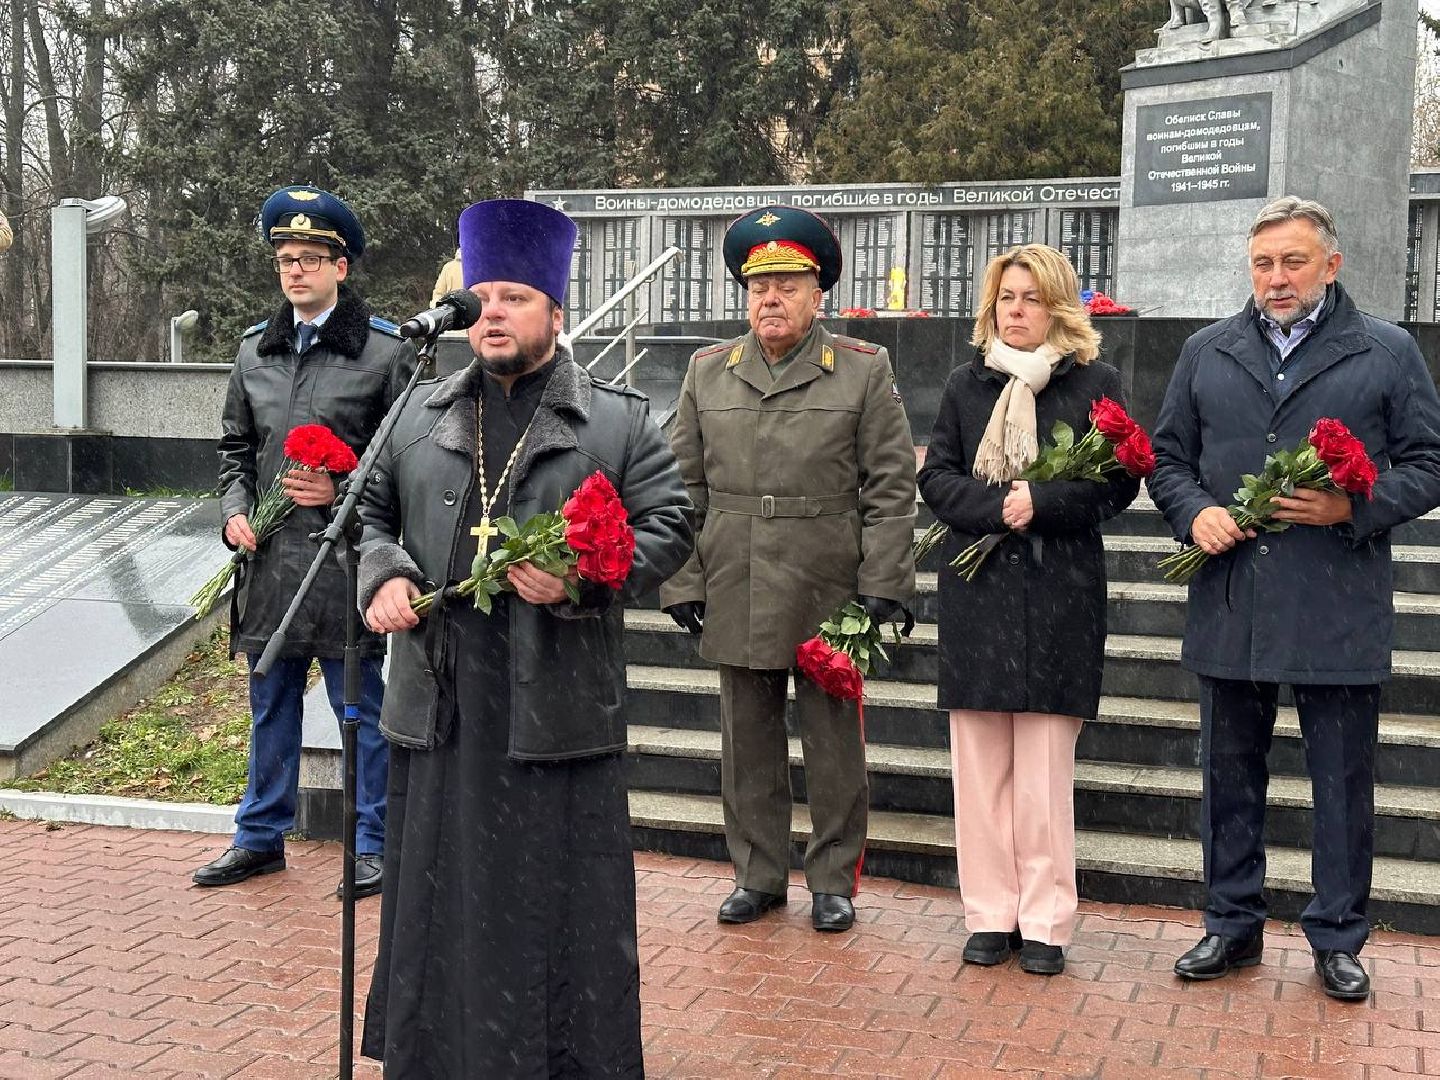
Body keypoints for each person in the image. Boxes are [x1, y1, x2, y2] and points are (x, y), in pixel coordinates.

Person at [356, 198, 692, 1076]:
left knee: (557, 909)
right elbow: (369, 516)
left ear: (555, 313)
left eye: (513, 296)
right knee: (441, 898)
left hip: (557, 711)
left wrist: (586, 578)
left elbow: (671, 525)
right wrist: (384, 572)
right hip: (445, 709)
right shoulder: (419, 412)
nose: (492, 312)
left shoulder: (616, 421)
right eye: (483, 296)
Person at [1150, 196, 1440, 1001]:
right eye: (1264, 264)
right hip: (1234, 595)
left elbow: (1428, 461)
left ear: (1331, 265)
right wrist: (1192, 511)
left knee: (1342, 779)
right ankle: (1231, 924)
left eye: (1293, 262)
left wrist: (1357, 506)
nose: (1277, 279)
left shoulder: (1385, 351)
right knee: (1229, 775)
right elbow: (1169, 456)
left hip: (1335, 600)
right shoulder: (1208, 350)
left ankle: (1339, 936)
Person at [660, 205, 916, 934]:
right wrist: (682, 578)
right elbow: (682, 487)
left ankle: (833, 878)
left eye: (787, 284)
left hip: (827, 578)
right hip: (735, 572)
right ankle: (759, 873)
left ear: (818, 293)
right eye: (758, 285)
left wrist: (884, 584)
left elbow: (891, 487)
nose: (769, 299)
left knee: (834, 743)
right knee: (747, 740)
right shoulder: (709, 372)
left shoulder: (863, 370)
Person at [916, 244, 1138, 976]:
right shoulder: (965, 383)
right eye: (1007, 296)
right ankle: (989, 914)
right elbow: (938, 478)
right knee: (979, 772)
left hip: (1059, 593)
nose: (1017, 310)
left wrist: (1041, 502)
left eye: (1032, 298)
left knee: (1044, 774)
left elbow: (1116, 484)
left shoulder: (1094, 384)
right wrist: (996, 508)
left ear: (1058, 307)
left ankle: (1045, 922)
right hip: (978, 595)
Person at [194, 185, 415, 898]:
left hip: (346, 565)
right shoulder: (253, 353)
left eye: (312, 258)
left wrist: (342, 496)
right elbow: (234, 447)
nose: (296, 270)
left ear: (341, 267)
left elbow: (408, 459)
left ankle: (374, 842)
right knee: (269, 705)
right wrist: (234, 510)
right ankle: (259, 837)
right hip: (269, 564)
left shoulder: (383, 354)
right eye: (285, 258)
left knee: (363, 713)